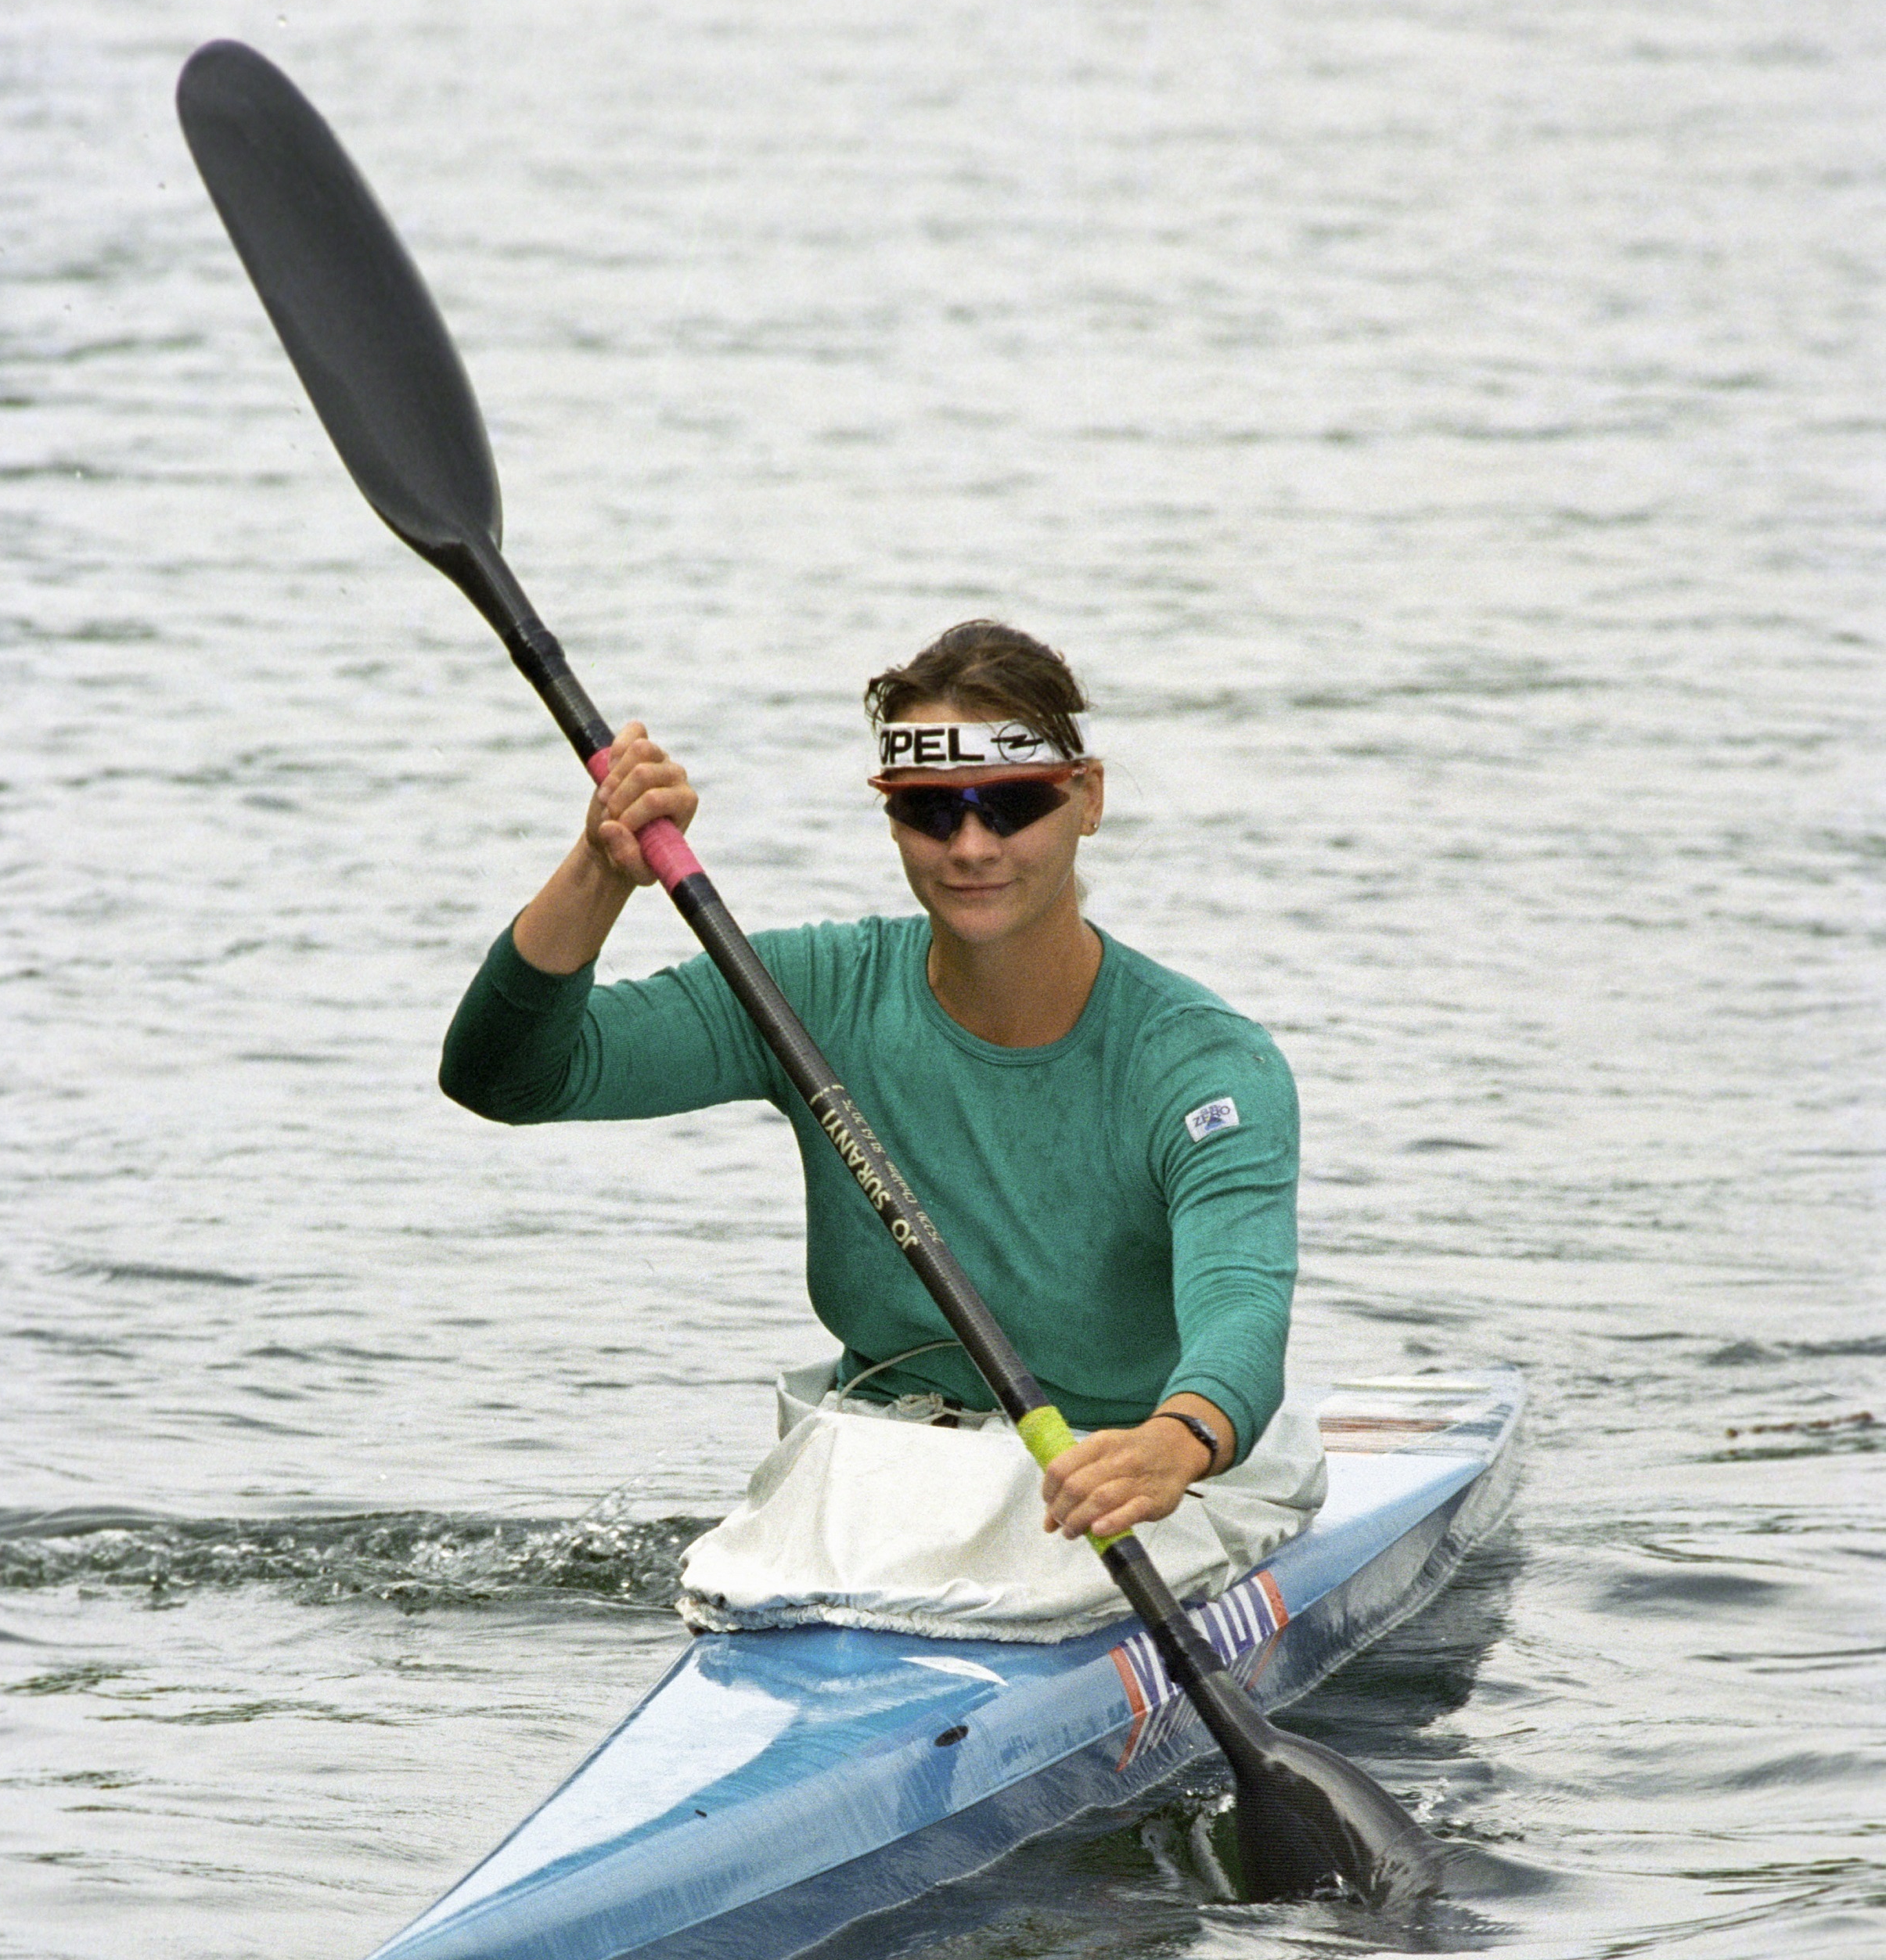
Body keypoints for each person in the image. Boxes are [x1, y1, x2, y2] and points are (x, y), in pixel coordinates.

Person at [439, 621, 1300, 1552]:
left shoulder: (1204, 1067)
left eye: (1012, 805)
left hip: (1124, 1484)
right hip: (876, 1477)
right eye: (931, 812)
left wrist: (1178, 1439)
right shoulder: (804, 995)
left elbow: (1241, 1308)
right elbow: (505, 1077)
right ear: (890, 815)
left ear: (1086, 798)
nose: (971, 846)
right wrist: (600, 872)